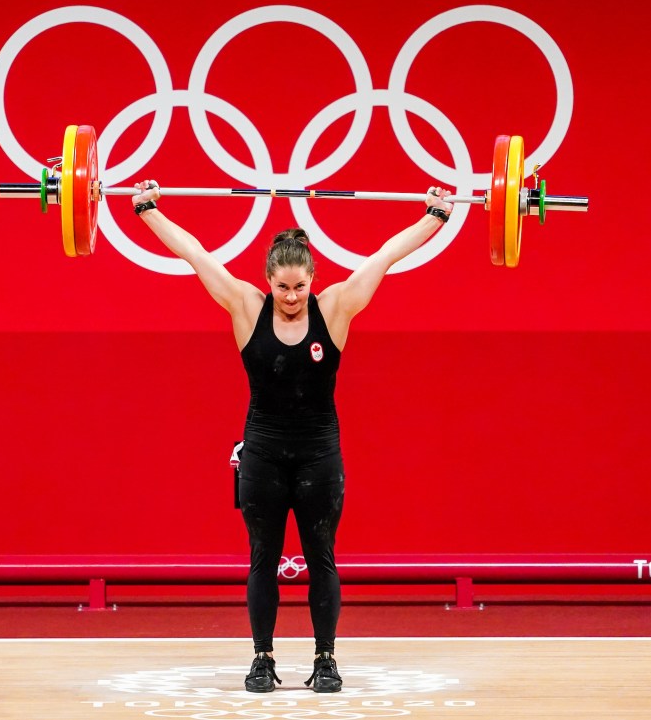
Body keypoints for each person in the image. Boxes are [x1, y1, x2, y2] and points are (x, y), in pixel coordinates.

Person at [130, 181, 454, 693]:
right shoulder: (244, 306)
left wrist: (434, 217)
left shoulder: (337, 308)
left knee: (321, 555)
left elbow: (384, 256)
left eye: (300, 287)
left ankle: (325, 660)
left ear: (312, 281)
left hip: (318, 456)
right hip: (261, 454)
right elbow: (195, 254)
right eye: (282, 287)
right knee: (263, 556)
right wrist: (147, 209)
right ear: (268, 281)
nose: (291, 297)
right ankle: (263, 659)